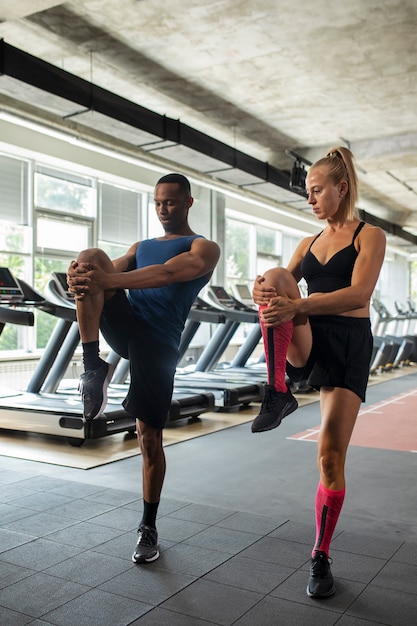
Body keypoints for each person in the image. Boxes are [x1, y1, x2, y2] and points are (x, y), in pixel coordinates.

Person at [251, 147, 385, 598]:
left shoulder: (370, 236)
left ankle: (320, 554)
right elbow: (280, 290)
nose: (309, 199)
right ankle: (276, 390)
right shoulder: (306, 243)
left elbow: (358, 293)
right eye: (306, 192)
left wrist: (298, 303)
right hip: (311, 338)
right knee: (273, 277)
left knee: (329, 457)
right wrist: (263, 290)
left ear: (340, 189)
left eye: (315, 191)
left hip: (348, 342)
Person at [67, 173, 220, 564]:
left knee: (149, 438)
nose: (163, 209)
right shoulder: (142, 246)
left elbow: (168, 274)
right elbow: (103, 278)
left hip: (159, 345)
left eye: (170, 202)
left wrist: (103, 279)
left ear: (188, 203)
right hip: (128, 328)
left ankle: (148, 525)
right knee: (89, 258)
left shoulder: (203, 247)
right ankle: (92, 366)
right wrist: (82, 278)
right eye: (157, 203)